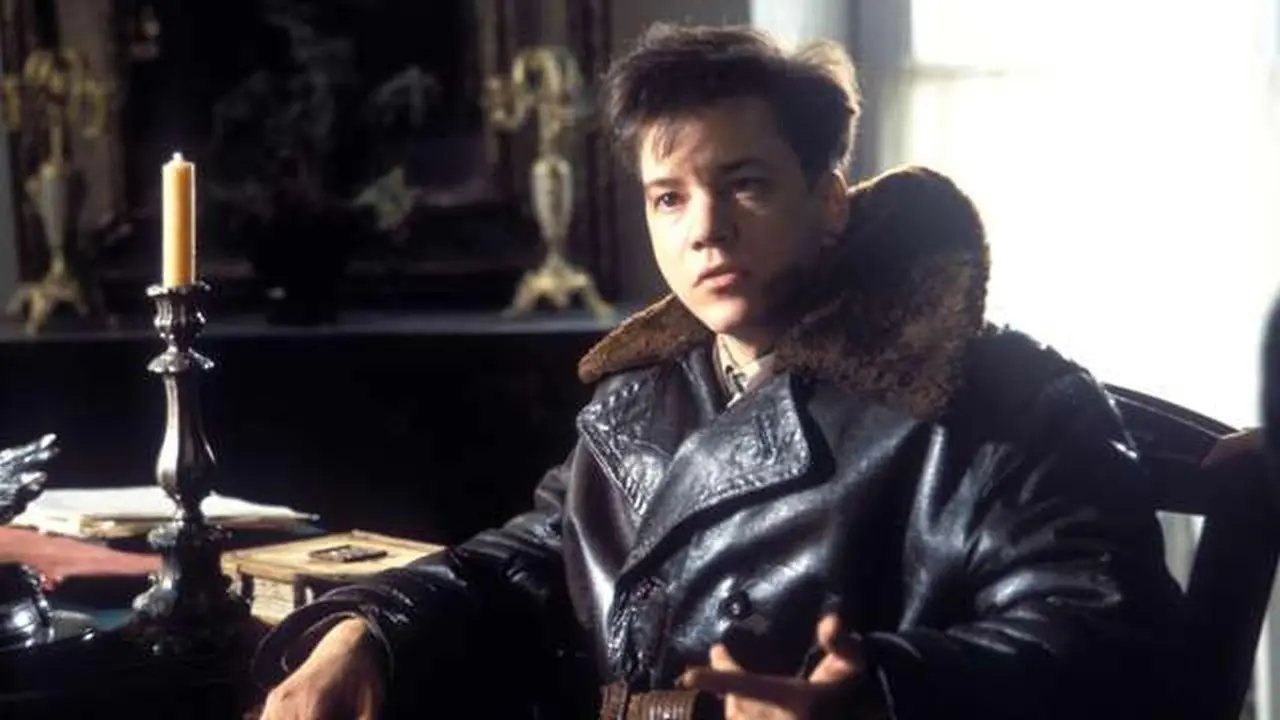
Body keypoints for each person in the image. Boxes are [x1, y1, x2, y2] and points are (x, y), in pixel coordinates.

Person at [255, 23, 1182, 720]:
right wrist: (371, 629)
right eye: (669, 197)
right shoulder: (645, 396)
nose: (704, 228)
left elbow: (1109, 641)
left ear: (828, 202)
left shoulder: (998, 401)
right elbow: (531, 562)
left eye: (745, 184)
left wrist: (883, 690)